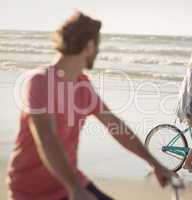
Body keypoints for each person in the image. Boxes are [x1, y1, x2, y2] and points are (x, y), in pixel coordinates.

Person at [6, 11, 173, 200]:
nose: (98, 51)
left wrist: (154, 163)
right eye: (97, 45)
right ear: (89, 46)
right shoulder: (40, 81)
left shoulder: (82, 85)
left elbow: (115, 126)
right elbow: (47, 137)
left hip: (70, 180)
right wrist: (75, 189)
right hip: (33, 189)